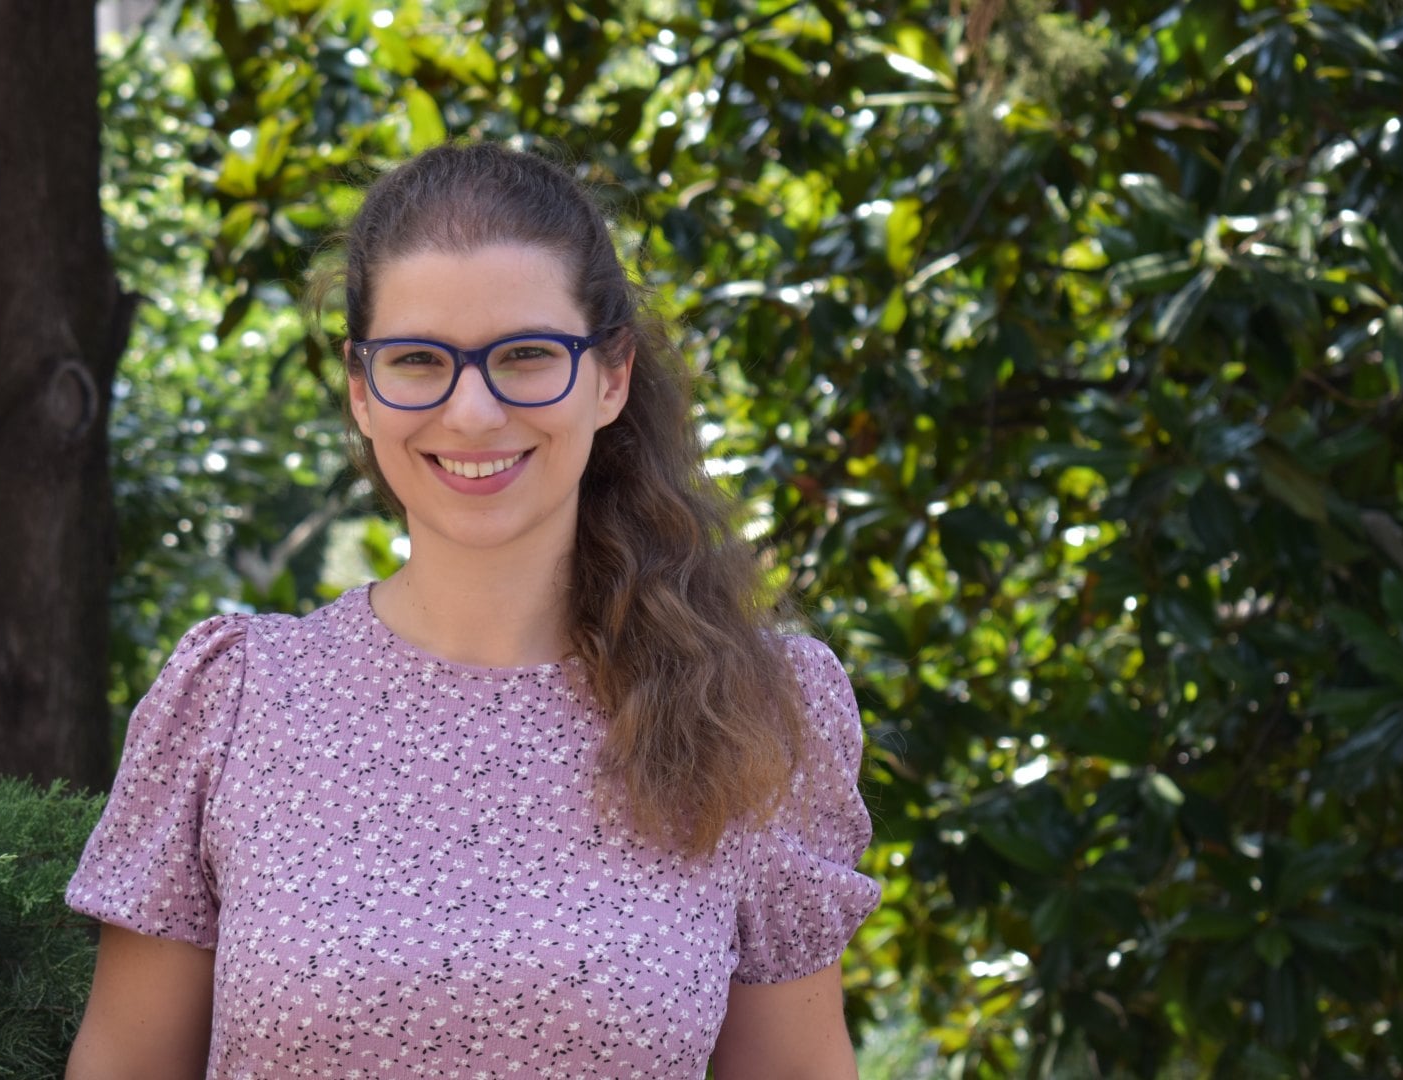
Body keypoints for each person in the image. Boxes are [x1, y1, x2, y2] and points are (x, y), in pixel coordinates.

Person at [64, 142, 881, 1079]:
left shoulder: (753, 713)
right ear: (362, 388)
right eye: (419, 361)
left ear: (610, 376)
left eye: (526, 356)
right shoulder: (235, 700)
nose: (474, 412)